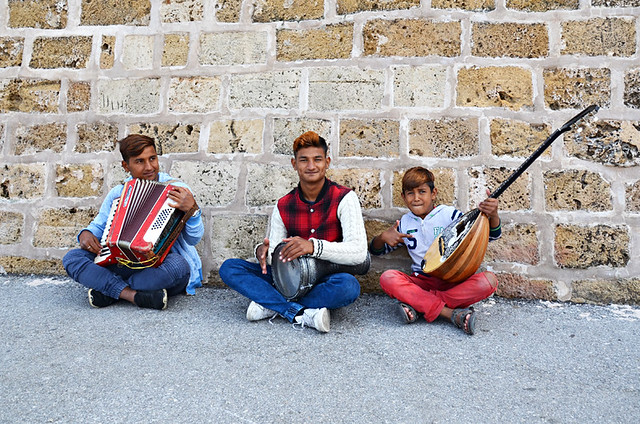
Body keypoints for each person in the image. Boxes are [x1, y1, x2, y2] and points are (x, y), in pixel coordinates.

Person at [219, 131, 368, 333]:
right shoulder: (283, 204)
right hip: (288, 278)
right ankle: (300, 313)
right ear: (294, 164)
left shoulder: (345, 198)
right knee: (230, 268)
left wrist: (313, 246)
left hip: (325, 279)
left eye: (317, 159)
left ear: (327, 162)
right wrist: (262, 252)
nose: (311, 166)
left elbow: (358, 252)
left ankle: (270, 305)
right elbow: (274, 256)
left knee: (348, 287)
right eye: (304, 160)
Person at [63, 134, 204, 310]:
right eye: (139, 161)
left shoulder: (178, 191)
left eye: (152, 158)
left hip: (158, 266)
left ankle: (109, 289)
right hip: (121, 262)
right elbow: (98, 227)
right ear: (125, 166)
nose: (149, 167)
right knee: (72, 258)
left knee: (179, 266)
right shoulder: (118, 193)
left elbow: (193, 240)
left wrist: (193, 210)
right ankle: (134, 296)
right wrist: (86, 234)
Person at [369, 166, 501, 335]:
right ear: (403, 197)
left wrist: (494, 216)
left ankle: (419, 305)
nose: (416, 198)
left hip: (452, 282)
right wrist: (382, 237)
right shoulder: (404, 223)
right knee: (388, 278)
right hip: (422, 282)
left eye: (422, 191)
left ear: (433, 193)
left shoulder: (449, 215)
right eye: (410, 193)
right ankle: (450, 313)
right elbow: (376, 250)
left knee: (489, 281)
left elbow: (490, 236)